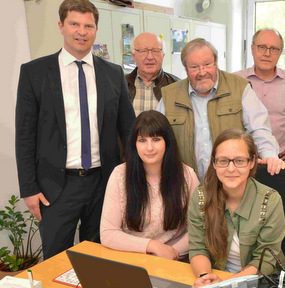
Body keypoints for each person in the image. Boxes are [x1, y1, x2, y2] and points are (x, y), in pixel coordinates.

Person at [15, 0, 136, 260]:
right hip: (55, 187)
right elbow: (24, 135)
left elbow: (129, 131)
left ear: (95, 29)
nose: (81, 31)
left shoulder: (114, 74)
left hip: (104, 183)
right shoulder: (34, 73)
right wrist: (28, 188)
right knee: (56, 261)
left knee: (101, 259)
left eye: (88, 26)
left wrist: (132, 179)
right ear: (61, 26)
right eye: (74, 24)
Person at [156, 38, 285, 181]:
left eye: (207, 65)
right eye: (194, 67)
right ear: (186, 70)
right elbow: (156, 137)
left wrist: (269, 155)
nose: (202, 72)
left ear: (216, 64)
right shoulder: (170, 95)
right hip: (185, 186)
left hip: (231, 185)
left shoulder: (239, 87)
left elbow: (259, 128)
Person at [188, 129, 285, 287]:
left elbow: (265, 261)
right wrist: (206, 279)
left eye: (239, 161)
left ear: (252, 162)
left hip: (260, 283)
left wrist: (225, 284)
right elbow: (198, 248)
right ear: (214, 163)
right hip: (217, 276)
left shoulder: (270, 201)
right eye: (223, 161)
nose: (231, 169)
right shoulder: (201, 196)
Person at [100, 111, 199, 260]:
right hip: (130, 258)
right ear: (134, 144)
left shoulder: (187, 175)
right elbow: (108, 233)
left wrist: (170, 252)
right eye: (142, 140)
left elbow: (198, 230)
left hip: (175, 259)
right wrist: (152, 247)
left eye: (156, 139)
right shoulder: (119, 175)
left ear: (167, 141)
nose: (149, 148)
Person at [235, 29, 285, 162]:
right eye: (262, 47)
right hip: (240, 158)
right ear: (253, 49)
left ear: (280, 52)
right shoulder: (235, 80)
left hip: (278, 158)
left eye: (274, 49)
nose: (267, 54)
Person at [126, 32, 179, 115]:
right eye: (143, 51)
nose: (150, 57)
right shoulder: (120, 85)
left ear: (163, 55)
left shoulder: (177, 86)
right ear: (133, 56)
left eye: (155, 51)